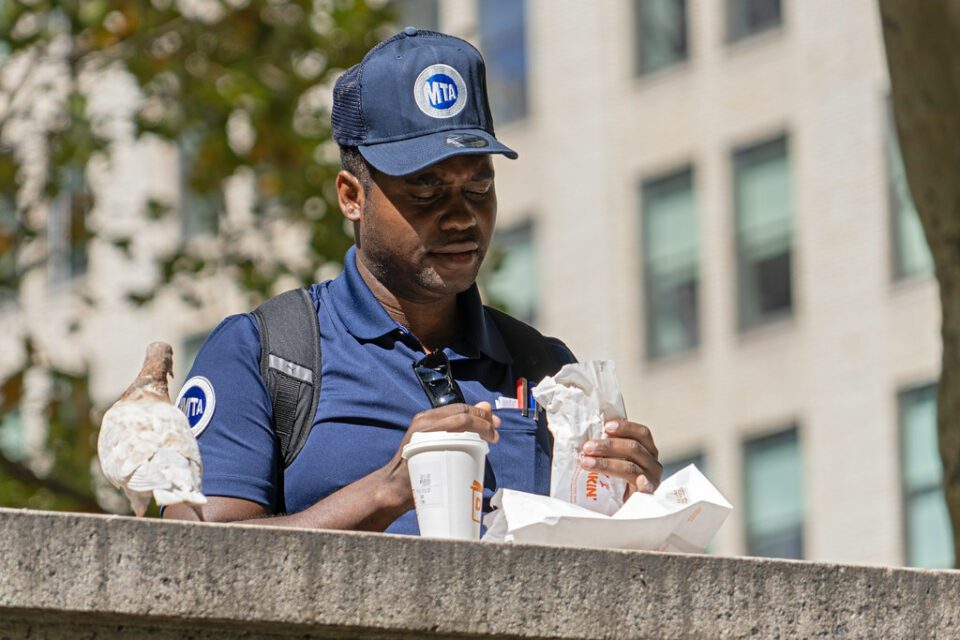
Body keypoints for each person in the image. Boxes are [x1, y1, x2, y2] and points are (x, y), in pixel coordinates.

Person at [163, 28, 662, 532]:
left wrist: (632, 510)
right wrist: (386, 492)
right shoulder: (266, 353)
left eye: (479, 186)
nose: (461, 217)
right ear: (351, 196)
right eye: (426, 190)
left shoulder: (543, 367)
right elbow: (191, 558)